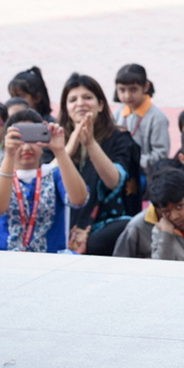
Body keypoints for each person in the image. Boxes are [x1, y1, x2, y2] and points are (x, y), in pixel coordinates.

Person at [0, 110, 89, 252]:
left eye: (32, 139)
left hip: (49, 261)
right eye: (19, 140)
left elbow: (79, 200)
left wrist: (60, 151)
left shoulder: (54, 174)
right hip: (5, 261)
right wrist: (9, 155)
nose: (26, 147)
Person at [59, 74, 142, 256]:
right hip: (63, 223)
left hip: (105, 223)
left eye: (88, 98)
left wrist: (90, 144)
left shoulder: (119, 139)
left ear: (101, 105)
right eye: (73, 100)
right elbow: (48, 179)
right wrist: (66, 149)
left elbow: (115, 181)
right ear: (66, 108)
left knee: (127, 228)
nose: (80, 103)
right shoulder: (55, 139)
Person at [113, 64, 170, 174]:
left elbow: (161, 154)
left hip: (147, 176)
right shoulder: (117, 115)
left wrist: (134, 161)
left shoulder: (157, 118)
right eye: (122, 90)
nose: (127, 95)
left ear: (146, 87)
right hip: (121, 174)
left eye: (133, 89)